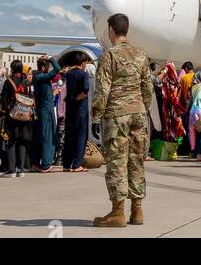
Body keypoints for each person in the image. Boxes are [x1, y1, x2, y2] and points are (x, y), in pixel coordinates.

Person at [91, 13, 152, 227]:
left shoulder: (110, 55)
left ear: (111, 29)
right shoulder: (141, 54)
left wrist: (96, 115)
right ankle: (138, 211)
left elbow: (102, 89)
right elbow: (147, 87)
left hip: (117, 114)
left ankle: (118, 213)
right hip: (138, 113)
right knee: (136, 161)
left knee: (117, 163)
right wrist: (143, 107)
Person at [0, 60, 34, 177]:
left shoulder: (8, 82)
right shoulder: (27, 83)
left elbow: (3, 100)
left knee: (11, 141)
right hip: (25, 116)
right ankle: (22, 169)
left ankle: (11, 169)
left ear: (12, 69)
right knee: (22, 141)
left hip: (12, 116)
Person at [61, 53, 92, 172]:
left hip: (70, 109)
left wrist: (70, 99)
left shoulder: (69, 73)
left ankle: (66, 164)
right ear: (83, 63)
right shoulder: (84, 74)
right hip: (80, 109)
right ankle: (77, 164)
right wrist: (77, 98)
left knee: (69, 136)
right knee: (81, 136)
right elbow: (85, 90)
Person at [30, 57, 58, 172]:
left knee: (38, 136)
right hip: (46, 109)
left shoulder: (37, 77)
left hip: (41, 109)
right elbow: (57, 69)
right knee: (48, 136)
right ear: (43, 67)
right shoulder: (41, 77)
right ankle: (46, 164)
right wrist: (51, 59)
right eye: (47, 67)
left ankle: (35, 163)